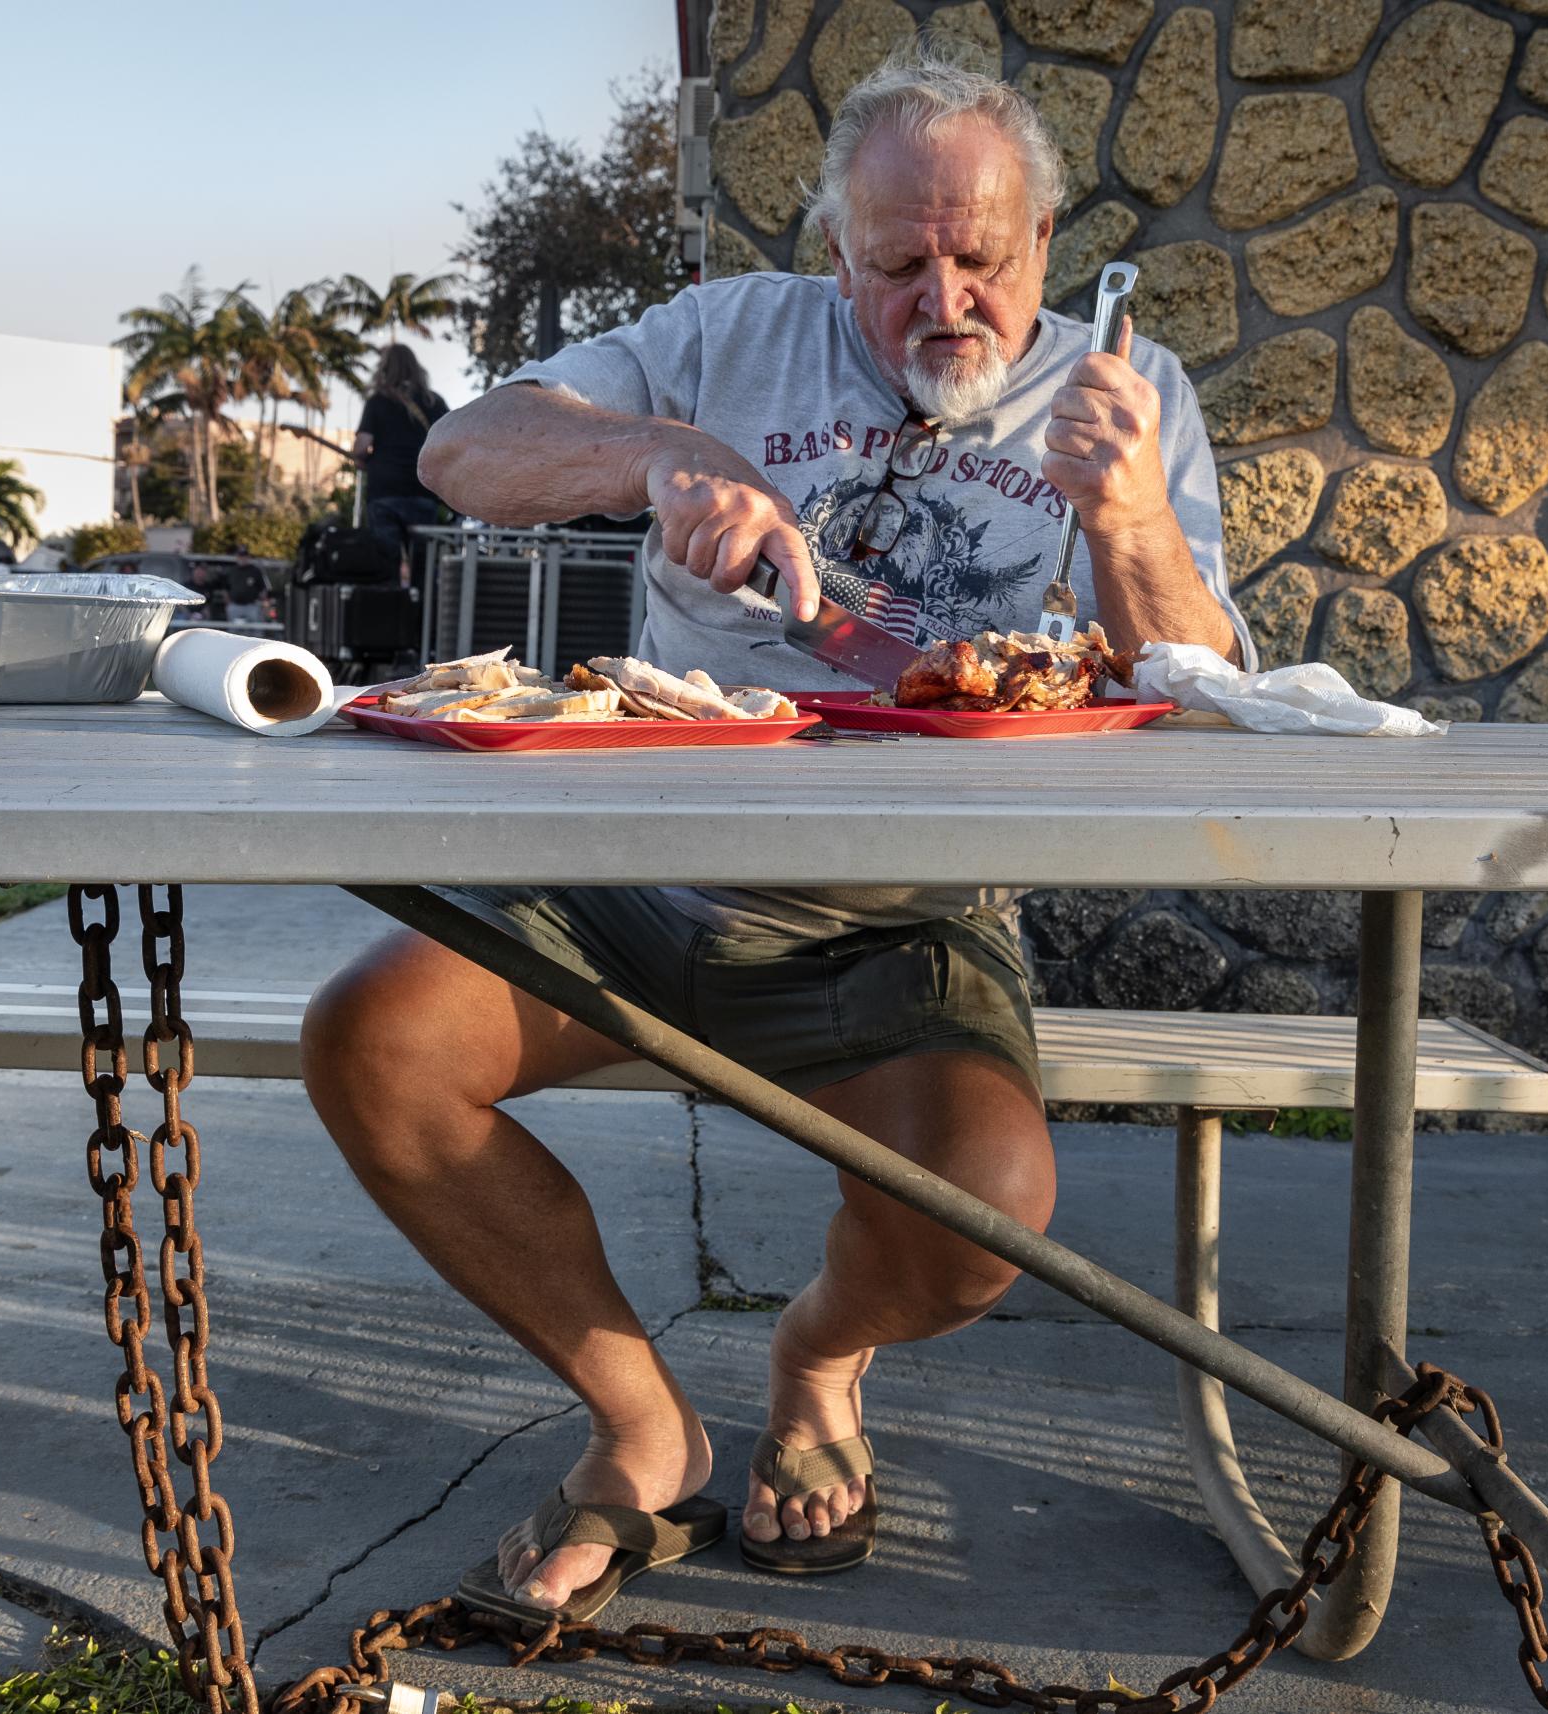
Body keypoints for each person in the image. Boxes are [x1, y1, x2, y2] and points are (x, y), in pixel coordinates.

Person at [300, 45, 1251, 1625]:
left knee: (983, 1217)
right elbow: (458, 448)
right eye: (897, 265)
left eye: (982, 260)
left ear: (1047, 245)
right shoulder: (727, 335)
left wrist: (1132, 520)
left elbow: (1202, 692)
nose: (942, 300)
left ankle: (817, 1351)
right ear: (836, 256)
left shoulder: (1123, 393)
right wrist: (656, 451)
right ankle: (641, 1422)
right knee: (373, 1042)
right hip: (624, 878)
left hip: (902, 917)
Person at [353, 344, 450, 572]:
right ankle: (422, 607)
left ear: (385, 368)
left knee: (386, 565)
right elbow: (450, 440)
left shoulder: (377, 401)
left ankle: (389, 606)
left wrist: (361, 458)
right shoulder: (433, 402)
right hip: (423, 491)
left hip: (385, 492)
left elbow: (362, 446)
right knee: (423, 569)